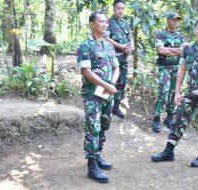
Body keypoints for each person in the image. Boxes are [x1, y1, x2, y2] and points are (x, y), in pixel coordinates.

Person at [151, 17, 198, 167]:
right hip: (191, 92)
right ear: (195, 29)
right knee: (178, 119)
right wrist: (177, 92)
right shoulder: (188, 48)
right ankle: (169, 150)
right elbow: (182, 68)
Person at [76, 11, 119, 183]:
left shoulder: (108, 46)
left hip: (107, 93)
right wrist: (106, 85)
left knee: (104, 124)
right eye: (101, 21)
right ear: (92, 24)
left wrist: (112, 84)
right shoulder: (84, 46)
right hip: (92, 94)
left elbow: (116, 67)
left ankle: (98, 154)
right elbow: (86, 72)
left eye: (106, 21)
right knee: (93, 127)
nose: (105, 24)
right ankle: (92, 165)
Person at [152, 13, 187, 133]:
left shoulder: (182, 37)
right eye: (173, 20)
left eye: (177, 20)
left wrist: (168, 50)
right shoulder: (160, 34)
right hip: (164, 68)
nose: (176, 22)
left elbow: (183, 51)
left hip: (177, 68)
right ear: (168, 20)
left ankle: (169, 117)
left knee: (174, 92)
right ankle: (157, 118)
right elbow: (160, 50)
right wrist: (175, 50)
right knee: (163, 91)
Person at [105, 0, 134, 119]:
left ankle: (116, 106)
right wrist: (120, 46)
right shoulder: (108, 22)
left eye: (122, 8)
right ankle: (106, 107)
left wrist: (130, 48)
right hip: (112, 59)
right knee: (110, 81)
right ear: (113, 9)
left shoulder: (126, 23)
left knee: (122, 82)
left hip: (124, 58)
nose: (121, 10)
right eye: (118, 8)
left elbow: (130, 38)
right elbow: (106, 38)